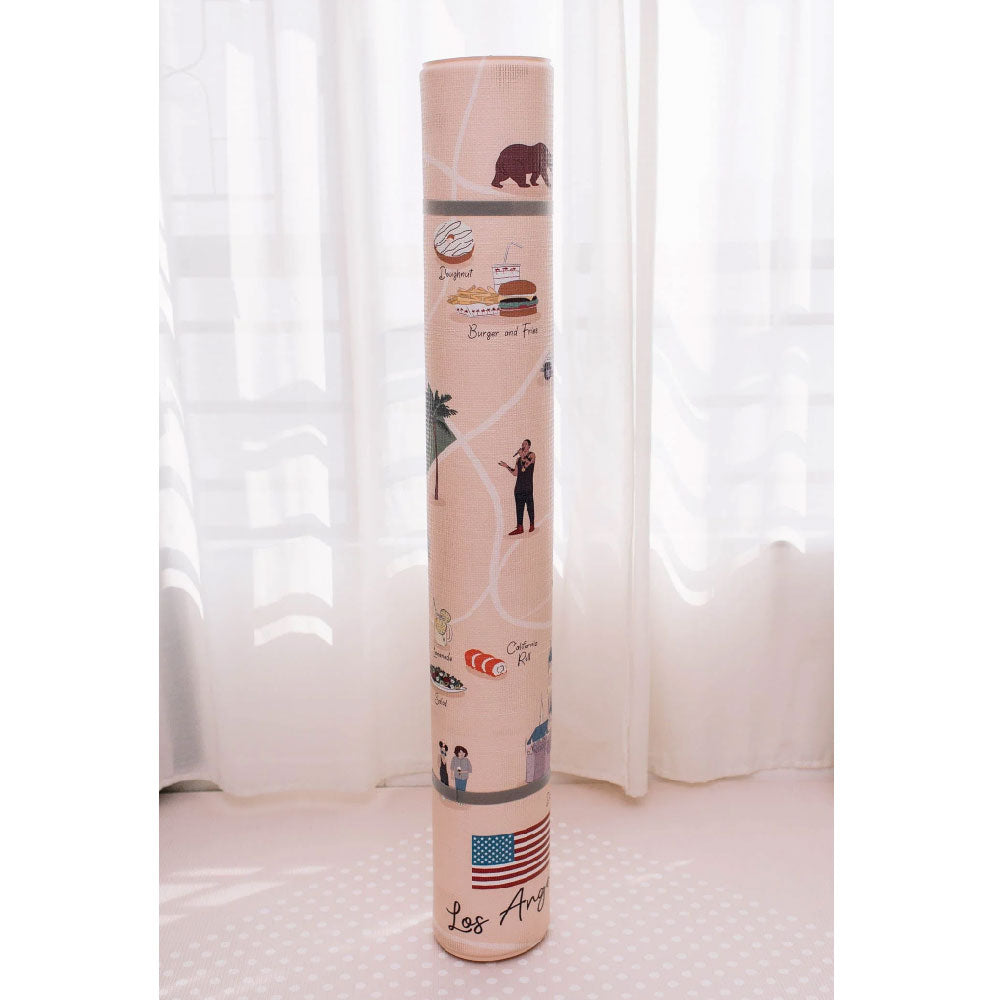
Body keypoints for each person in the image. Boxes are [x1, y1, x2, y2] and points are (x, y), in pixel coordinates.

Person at [498, 439, 535, 536]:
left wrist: (522, 455)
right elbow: (515, 473)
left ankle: (532, 524)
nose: (523, 445)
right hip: (519, 487)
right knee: (519, 508)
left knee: (530, 506)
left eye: (525, 444)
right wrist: (506, 466)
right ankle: (520, 527)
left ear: (529, 446)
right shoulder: (518, 460)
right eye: (522, 444)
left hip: (528, 486)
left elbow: (528, 463)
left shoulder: (532, 455)